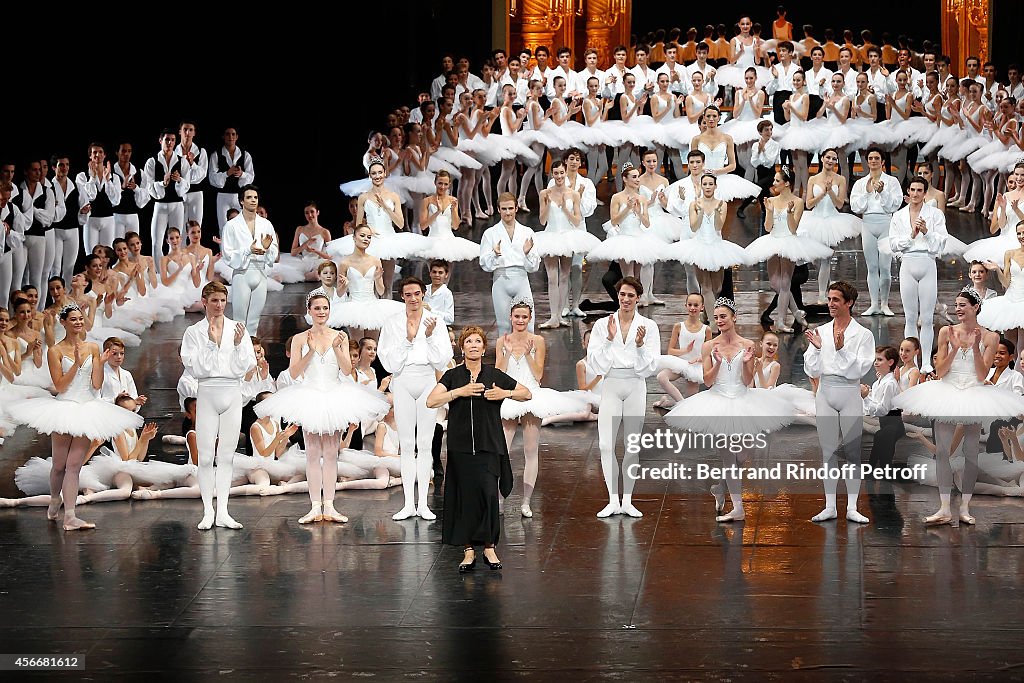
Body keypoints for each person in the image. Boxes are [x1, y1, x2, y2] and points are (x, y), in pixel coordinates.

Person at [255, 289, 389, 524]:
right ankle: (314, 506)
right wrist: (309, 352)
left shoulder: (340, 336)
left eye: (325, 308)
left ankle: (330, 505)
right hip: (310, 395)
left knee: (331, 454)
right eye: (317, 308)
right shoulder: (299, 338)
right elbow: (294, 372)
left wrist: (338, 349)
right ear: (309, 311)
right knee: (312, 453)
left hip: (334, 395)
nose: (321, 312)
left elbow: (348, 370)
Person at [6, 302, 142, 530]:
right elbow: (59, 385)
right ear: (63, 322)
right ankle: (54, 499)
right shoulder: (56, 351)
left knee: (74, 465)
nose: (79, 322)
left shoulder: (92, 347)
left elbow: (96, 384)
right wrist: (76, 365)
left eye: (80, 318)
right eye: (74, 319)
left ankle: (70, 516)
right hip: (64, 408)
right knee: (59, 465)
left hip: (88, 408)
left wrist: (99, 363)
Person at [896, 287, 1024, 524]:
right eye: (956, 305)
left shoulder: (991, 337)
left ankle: (965, 507)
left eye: (962, 305)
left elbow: (982, 372)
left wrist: (975, 347)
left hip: (973, 393)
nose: (958, 309)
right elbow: (941, 371)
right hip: (948, 390)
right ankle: (944, 507)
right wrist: (955, 349)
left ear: (975, 307)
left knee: (971, 453)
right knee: (943, 451)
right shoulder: (946, 331)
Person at [666, 297, 794, 521]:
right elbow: (707, 381)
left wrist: (748, 362)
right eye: (715, 318)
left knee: (743, 454)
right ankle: (738, 508)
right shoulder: (708, 345)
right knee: (728, 456)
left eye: (723, 316)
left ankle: (719, 487)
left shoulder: (747, 345)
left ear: (734, 317)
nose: (719, 321)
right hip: (718, 400)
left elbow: (746, 381)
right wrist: (715, 362)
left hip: (743, 399)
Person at [427, 326, 531, 572]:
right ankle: (468, 549)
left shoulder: (493, 374)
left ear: (484, 348)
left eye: (478, 342)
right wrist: (458, 392)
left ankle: (489, 547)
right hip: (461, 446)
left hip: (488, 444)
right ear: (462, 347)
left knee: (487, 493)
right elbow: (431, 400)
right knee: (465, 497)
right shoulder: (453, 376)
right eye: (468, 342)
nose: (473, 345)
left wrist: (504, 393)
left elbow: (526, 394)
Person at [496, 299, 586, 518]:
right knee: (501, 452)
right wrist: (508, 353)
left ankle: (526, 501)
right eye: (516, 316)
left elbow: (538, 375)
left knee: (530, 451)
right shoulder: (502, 341)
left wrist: (527, 353)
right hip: (509, 395)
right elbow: (498, 373)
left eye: (524, 317)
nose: (520, 320)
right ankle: (499, 499)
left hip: (532, 395)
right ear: (510, 317)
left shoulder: (538, 340)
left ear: (530, 318)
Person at [179, 282, 256, 530]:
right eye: (214, 300)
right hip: (208, 393)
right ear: (204, 301)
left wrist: (235, 345)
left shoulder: (237, 329)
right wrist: (212, 343)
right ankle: (207, 511)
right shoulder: (194, 332)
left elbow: (244, 366)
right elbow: (197, 368)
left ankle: (223, 511)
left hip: (232, 392)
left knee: (226, 456)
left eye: (223, 300)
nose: (219, 305)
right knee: (205, 457)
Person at [378, 277, 454, 521]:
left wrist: (429, 336)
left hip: (426, 380)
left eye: (417, 294)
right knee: (407, 444)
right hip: (402, 380)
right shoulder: (391, 323)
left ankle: (423, 504)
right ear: (402, 296)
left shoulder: (437, 322)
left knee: (425, 444)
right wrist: (409, 339)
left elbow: (442, 359)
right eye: (408, 294)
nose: (413, 298)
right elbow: (388, 361)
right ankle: (408, 503)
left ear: (423, 295)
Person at [587, 277, 660, 518]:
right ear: (617, 296)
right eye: (622, 294)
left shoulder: (649, 326)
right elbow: (594, 362)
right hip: (611, 384)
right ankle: (612, 500)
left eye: (630, 295)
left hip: (635, 385)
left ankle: (627, 500)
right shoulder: (601, 325)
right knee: (606, 444)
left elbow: (650, 366)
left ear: (638, 297)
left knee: (632, 446)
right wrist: (609, 338)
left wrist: (639, 345)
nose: (626, 299)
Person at [803, 281, 876, 523]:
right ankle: (830, 506)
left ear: (849, 303)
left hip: (849, 393)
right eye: (830, 299)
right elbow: (811, 368)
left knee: (853, 451)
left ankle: (853, 507)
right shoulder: (821, 331)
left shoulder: (863, 335)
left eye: (836, 300)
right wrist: (815, 349)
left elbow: (859, 370)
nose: (831, 304)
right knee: (828, 451)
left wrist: (841, 349)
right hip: (825, 392)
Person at [745, 167, 831, 333]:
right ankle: (797, 313)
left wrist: (790, 213)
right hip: (773, 241)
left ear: (786, 184)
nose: (774, 183)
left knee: (785, 284)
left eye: (777, 180)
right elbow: (768, 227)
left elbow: (793, 229)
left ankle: (780, 321)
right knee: (775, 283)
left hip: (789, 242)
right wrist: (769, 212)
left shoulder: (798, 202)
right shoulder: (771, 200)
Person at [888, 176, 949, 372]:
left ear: (925, 193)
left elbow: (941, 241)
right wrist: (911, 236)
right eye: (912, 190)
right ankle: (912, 363)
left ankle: (926, 364)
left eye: (919, 190)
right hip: (908, 263)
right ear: (908, 192)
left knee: (928, 318)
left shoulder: (935, 214)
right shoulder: (898, 216)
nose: (915, 194)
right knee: (910, 317)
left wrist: (926, 232)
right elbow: (893, 243)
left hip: (927, 263)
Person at [532, 159, 599, 327]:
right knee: (551, 277)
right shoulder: (544, 193)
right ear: (552, 175)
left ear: (565, 173)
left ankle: (560, 316)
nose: (559, 176)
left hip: (568, 237)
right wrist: (547, 204)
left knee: (564, 276)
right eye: (556, 173)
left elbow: (577, 220)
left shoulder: (573, 194)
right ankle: (553, 316)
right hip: (550, 236)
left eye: (562, 173)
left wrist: (564, 208)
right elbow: (542, 220)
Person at [800, 148, 861, 303]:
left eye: (834, 159)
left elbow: (840, 204)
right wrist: (822, 193)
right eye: (828, 157)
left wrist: (830, 192)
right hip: (815, 219)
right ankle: (827, 288)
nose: (831, 161)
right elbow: (808, 203)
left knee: (826, 258)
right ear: (822, 159)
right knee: (816, 260)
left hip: (833, 221)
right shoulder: (812, 179)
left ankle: (822, 295)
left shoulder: (840, 179)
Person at [850, 147, 902, 316]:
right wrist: (867, 192)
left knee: (885, 267)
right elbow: (855, 206)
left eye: (876, 158)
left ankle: (885, 304)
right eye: (870, 158)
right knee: (872, 267)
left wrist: (882, 192)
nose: (873, 161)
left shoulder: (892, 181)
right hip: (868, 223)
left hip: (886, 222)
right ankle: (874, 304)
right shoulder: (860, 183)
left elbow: (895, 204)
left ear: (882, 161)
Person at [479, 193, 540, 336]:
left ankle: (528, 357)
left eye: (510, 208)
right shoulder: (490, 233)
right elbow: (484, 264)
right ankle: (504, 358)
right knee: (504, 327)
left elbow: (534, 267)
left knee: (528, 326)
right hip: (501, 281)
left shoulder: (527, 232)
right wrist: (494, 254)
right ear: (498, 210)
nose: (508, 212)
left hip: (521, 279)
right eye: (504, 209)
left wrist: (527, 253)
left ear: (516, 208)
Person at [221, 185, 278, 336]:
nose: (253, 200)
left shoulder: (266, 224)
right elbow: (227, 253)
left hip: (260, 273)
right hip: (242, 273)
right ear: (241, 201)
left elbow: (274, 251)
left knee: (254, 321)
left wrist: (266, 250)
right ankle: (236, 355)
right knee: (239, 321)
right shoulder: (231, 226)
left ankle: (251, 356)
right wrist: (248, 250)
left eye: (255, 197)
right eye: (249, 197)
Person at [144, 129, 190, 271]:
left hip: (177, 205)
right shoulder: (152, 161)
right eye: (167, 140)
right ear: (160, 141)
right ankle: (159, 272)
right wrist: (162, 184)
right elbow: (149, 186)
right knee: (157, 242)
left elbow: (186, 186)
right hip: (160, 205)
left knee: (178, 240)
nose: (169, 143)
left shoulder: (182, 161)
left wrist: (179, 180)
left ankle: (178, 270)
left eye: (172, 140)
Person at [655, 292, 710, 409]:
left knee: (691, 403)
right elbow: (670, 351)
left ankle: (669, 403)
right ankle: (680, 404)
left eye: (696, 305)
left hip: (695, 366)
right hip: (680, 363)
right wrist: (685, 350)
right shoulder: (678, 326)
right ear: (685, 306)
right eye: (690, 304)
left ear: (702, 307)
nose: (692, 308)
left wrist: (701, 357)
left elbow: (708, 353)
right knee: (661, 377)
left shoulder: (706, 329)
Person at [978, 220, 1024, 354]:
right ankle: (1013, 374)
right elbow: (1006, 283)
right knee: (1010, 346)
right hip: (1010, 302)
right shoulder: (1010, 254)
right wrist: (997, 269)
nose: (1021, 236)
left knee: (1021, 347)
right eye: (1019, 233)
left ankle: (1018, 375)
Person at [862, 345, 905, 473]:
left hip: (893, 425)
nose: (876, 363)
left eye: (880, 360)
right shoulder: (878, 383)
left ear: (890, 362)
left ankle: (871, 473)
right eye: (875, 359)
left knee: (881, 444)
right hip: (885, 425)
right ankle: (871, 473)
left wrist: (865, 397)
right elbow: (873, 407)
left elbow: (883, 410)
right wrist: (868, 394)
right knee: (884, 458)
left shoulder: (890, 384)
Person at [209, 128, 254, 230]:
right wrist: (226, 174)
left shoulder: (245, 155)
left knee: (242, 226)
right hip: (222, 196)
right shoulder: (216, 155)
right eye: (228, 134)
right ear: (223, 137)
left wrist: (242, 174)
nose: (230, 137)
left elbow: (251, 176)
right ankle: (224, 246)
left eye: (233, 134)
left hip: (240, 196)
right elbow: (211, 178)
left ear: (237, 137)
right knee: (223, 227)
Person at [111, 142, 150, 239]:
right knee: (117, 247)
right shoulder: (111, 173)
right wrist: (122, 187)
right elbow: (109, 198)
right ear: (117, 152)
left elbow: (144, 198)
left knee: (133, 247)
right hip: (116, 216)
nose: (127, 154)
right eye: (123, 151)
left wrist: (136, 188)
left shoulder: (139, 173)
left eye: (129, 151)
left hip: (133, 216)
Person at [176, 121, 209, 230]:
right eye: (185, 129)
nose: (187, 132)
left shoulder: (201, 151)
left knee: (196, 228)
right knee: (180, 229)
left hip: (196, 194)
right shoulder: (174, 152)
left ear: (194, 133)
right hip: (179, 194)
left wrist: (192, 164)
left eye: (190, 130)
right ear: (180, 131)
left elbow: (201, 176)